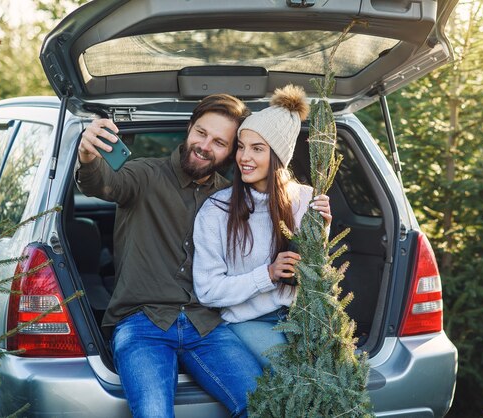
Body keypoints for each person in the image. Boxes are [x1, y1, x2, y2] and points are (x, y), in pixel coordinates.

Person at [75, 94, 263, 418]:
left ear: (231, 152)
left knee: (264, 405)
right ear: (189, 128)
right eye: (201, 133)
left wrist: (317, 215)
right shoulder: (144, 175)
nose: (205, 145)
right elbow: (103, 183)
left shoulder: (231, 197)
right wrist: (87, 156)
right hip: (141, 323)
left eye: (219, 142)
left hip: (206, 325)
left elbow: (273, 227)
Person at [192, 85, 331, 369]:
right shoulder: (217, 210)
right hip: (246, 321)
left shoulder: (306, 199)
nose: (244, 158)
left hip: (299, 316)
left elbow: (316, 273)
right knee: (293, 373)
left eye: (257, 149)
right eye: (241, 147)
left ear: (279, 156)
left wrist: (323, 231)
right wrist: (267, 274)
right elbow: (207, 291)